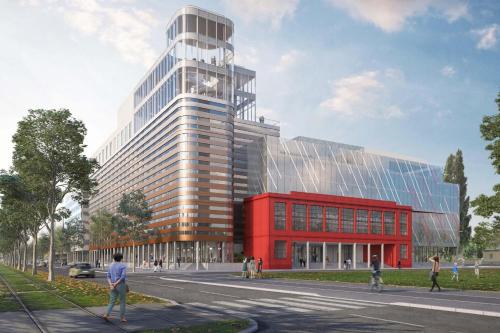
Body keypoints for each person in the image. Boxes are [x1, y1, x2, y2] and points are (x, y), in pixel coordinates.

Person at [103, 253, 127, 323]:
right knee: (122, 301)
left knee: (112, 301)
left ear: (114, 258)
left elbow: (108, 276)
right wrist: (116, 283)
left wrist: (111, 284)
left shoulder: (111, 265)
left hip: (112, 285)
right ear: (121, 258)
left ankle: (106, 314)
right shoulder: (123, 266)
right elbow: (123, 277)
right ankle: (122, 317)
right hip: (120, 285)